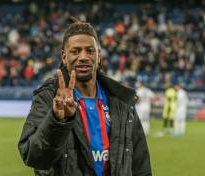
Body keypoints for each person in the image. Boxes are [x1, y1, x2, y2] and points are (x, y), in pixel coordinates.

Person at [18, 17, 151, 176]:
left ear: (99, 56)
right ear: (64, 56)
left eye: (90, 50)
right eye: (75, 51)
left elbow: (140, 166)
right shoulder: (49, 98)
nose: (83, 57)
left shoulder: (121, 102)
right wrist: (57, 122)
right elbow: (33, 157)